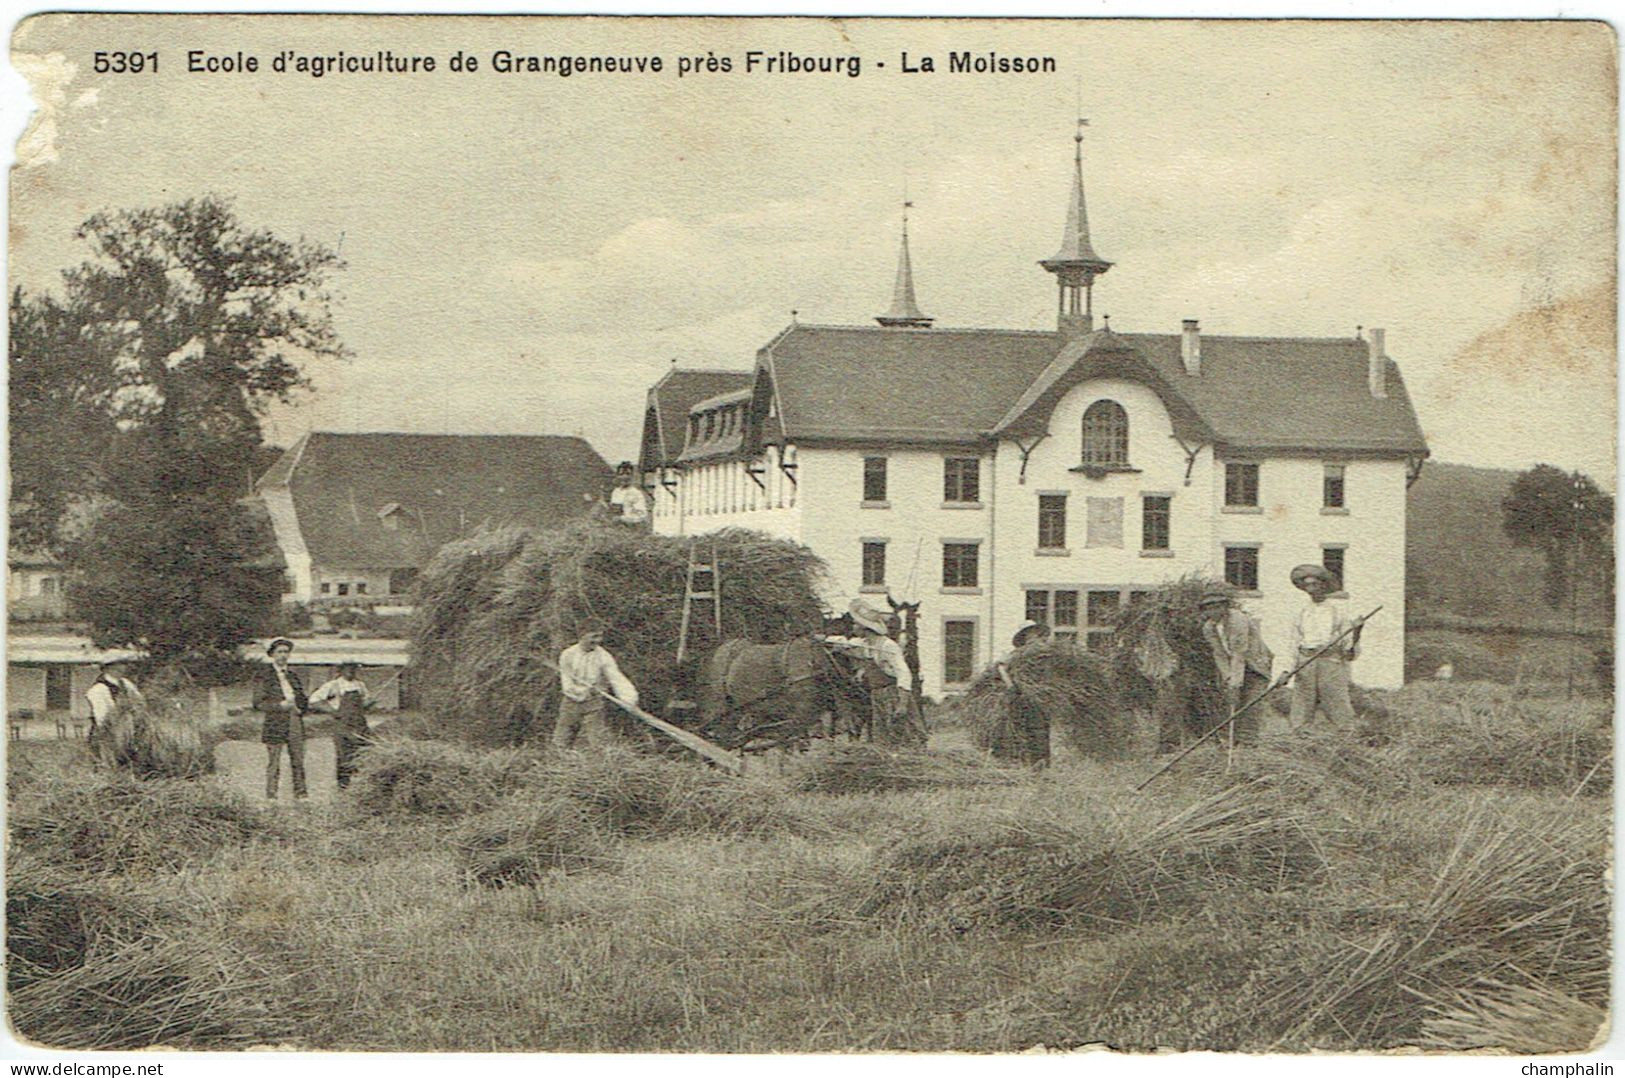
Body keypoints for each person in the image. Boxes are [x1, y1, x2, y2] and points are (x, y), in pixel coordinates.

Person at [838, 598, 924, 746]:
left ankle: (911, 755)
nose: (853, 627)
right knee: (882, 736)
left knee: (902, 733)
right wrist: (824, 639)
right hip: (877, 694)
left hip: (893, 694)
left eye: (855, 624)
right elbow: (844, 644)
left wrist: (902, 704)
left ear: (865, 628)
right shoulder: (866, 645)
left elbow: (903, 673)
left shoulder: (887, 646)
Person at [1198, 586, 1274, 746]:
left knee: (1251, 703)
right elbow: (1219, 653)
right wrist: (1228, 677)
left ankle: (1249, 741)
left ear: (1225, 606)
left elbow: (1239, 653)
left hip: (1255, 665)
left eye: (1217, 606)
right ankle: (1231, 740)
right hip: (1234, 666)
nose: (1214, 611)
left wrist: (1235, 683)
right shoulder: (1209, 627)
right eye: (1209, 608)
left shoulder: (1237, 620)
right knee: (1231, 702)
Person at [1288, 564, 1359, 728]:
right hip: (1305, 663)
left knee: (1338, 705)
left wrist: (1357, 632)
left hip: (1330, 663)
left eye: (1315, 584)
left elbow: (1348, 647)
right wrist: (1288, 670)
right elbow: (1293, 643)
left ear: (1324, 585)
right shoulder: (1301, 612)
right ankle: (1299, 735)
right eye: (1307, 585)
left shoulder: (1337, 611)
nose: (1311, 589)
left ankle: (1345, 735)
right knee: (1301, 706)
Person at [555, 623, 639, 750]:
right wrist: (581, 691)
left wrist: (629, 699)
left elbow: (616, 678)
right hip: (570, 702)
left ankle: (598, 758)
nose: (598, 640)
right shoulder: (568, 655)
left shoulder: (603, 656)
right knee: (562, 740)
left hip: (594, 702)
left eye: (600, 636)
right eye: (594, 636)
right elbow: (566, 683)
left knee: (598, 740)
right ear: (582, 636)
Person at [253, 637, 310, 800]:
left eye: (286, 652)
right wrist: (280, 705)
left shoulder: (293, 676)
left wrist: (299, 708)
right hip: (275, 721)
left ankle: (301, 794)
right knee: (274, 761)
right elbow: (258, 703)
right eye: (279, 652)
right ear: (272, 654)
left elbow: (303, 699)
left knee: (298, 759)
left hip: (294, 720)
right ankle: (271, 795)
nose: (283, 655)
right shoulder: (264, 676)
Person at [994, 621, 1053, 765]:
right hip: (1024, 695)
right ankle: (1033, 762)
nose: (1034, 636)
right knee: (1030, 728)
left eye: (1036, 633)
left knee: (1042, 729)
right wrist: (1011, 686)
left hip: (1042, 695)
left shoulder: (1045, 653)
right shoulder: (1019, 654)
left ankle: (1042, 763)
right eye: (1030, 633)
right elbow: (1002, 668)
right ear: (1024, 636)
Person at [309, 661, 374, 789]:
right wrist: (333, 711)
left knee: (363, 753)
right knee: (344, 756)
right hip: (343, 725)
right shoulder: (334, 685)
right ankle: (343, 787)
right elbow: (314, 700)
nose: (351, 671)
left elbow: (366, 701)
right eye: (348, 668)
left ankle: (361, 786)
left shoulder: (360, 685)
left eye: (353, 668)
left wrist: (368, 704)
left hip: (360, 724)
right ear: (341, 670)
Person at [85, 658, 144, 762]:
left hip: (129, 731)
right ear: (109, 668)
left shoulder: (126, 683)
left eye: (123, 664)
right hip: (109, 734)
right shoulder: (99, 689)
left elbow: (139, 700)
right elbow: (102, 717)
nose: (124, 667)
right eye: (119, 665)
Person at [609, 462, 651, 527]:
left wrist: (623, 519)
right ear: (617, 476)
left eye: (628, 474)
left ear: (632, 476)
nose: (625, 477)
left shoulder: (636, 493)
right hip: (615, 528)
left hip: (631, 528)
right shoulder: (616, 492)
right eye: (621, 474)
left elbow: (642, 516)